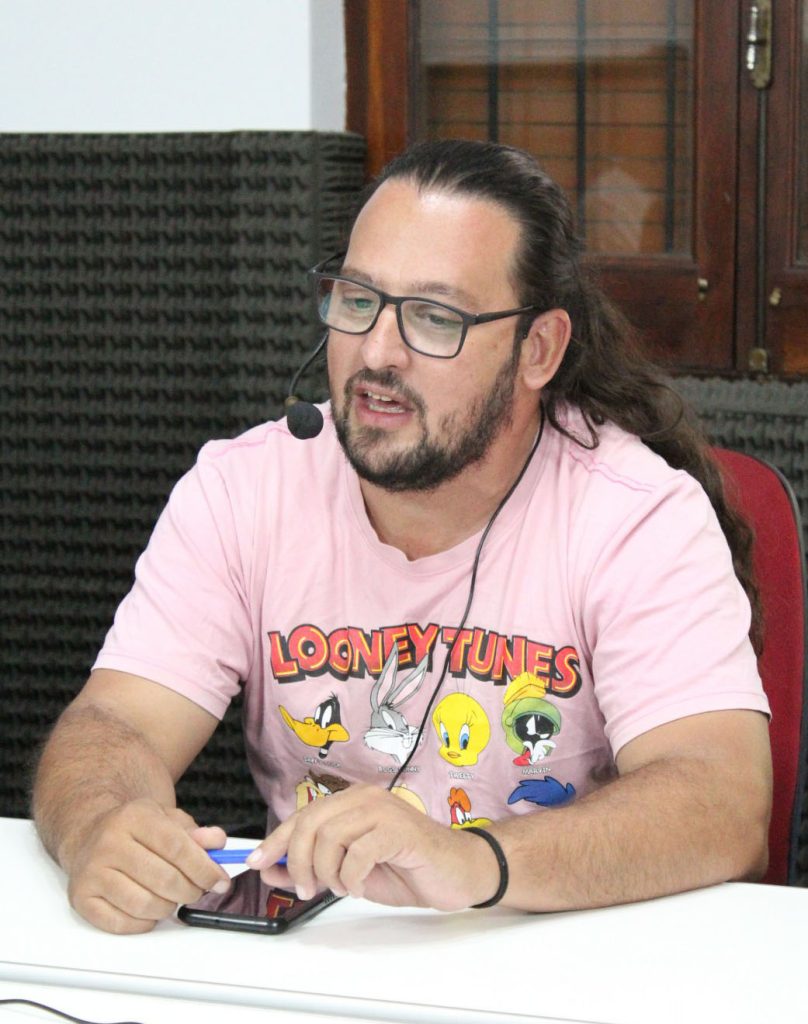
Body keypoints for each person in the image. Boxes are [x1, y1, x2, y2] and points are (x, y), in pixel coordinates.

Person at [32, 139, 772, 935]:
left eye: (434, 317)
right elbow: (116, 726)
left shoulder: (637, 516)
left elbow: (720, 803)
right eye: (358, 301)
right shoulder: (243, 488)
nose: (378, 353)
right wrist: (101, 824)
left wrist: (473, 861)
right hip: (322, 958)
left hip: (560, 952)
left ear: (538, 350)